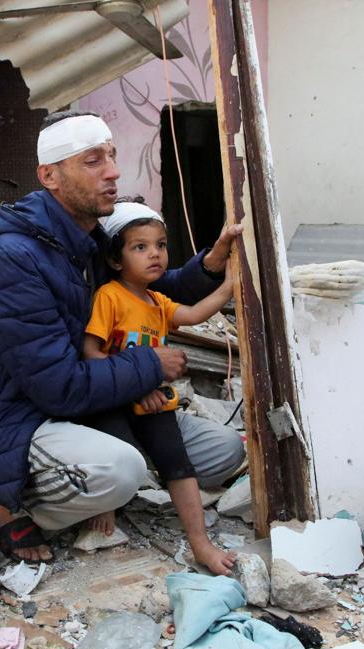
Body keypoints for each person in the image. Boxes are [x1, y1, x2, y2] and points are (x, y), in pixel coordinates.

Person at [0, 110, 244, 567]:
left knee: (224, 451)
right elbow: (57, 387)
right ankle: (13, 503)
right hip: (30, 413)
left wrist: (212, 264)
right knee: (120, 469)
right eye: (92, 161)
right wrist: (148, 366)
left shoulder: (91, 237)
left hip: (104, 399)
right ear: (49, 176)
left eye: (111, 156)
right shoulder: (17, 257)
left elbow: (152, 291)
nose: (113, 172)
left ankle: (113, 472)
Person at [79, 200, 236, 575]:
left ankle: (200, 543)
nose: (155, 254)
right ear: (115, 260)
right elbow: (90, 352)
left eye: (161, 245)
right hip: (114, 401)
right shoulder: (109, 296)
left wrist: (230, 285)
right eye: (140, 247)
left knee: (178, 464)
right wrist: (135, 386)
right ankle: (107, 507)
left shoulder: (157, 301)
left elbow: (193, 314)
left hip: (155, 403)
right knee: (118, 455)